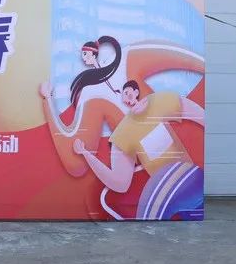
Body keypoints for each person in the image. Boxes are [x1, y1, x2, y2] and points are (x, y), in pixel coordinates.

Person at [39, 35, 205, 178]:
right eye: (82, 55)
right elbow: (75, 164)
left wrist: (205, 66)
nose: (83, 58)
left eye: (85, 54)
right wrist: (48, 100)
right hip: (136, 148)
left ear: (93, 53)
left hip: (162, 136)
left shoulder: (126, 60)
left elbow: (176, 56)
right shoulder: (90, 93)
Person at [73, 80, 205, 219]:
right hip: (166, 194)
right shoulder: (123, 134)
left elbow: (199, 115)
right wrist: (86, 154)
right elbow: (120, 183)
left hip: (192, 180)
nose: (126, 99)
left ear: (136, 91)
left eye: (127, 93)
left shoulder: (159, 101)